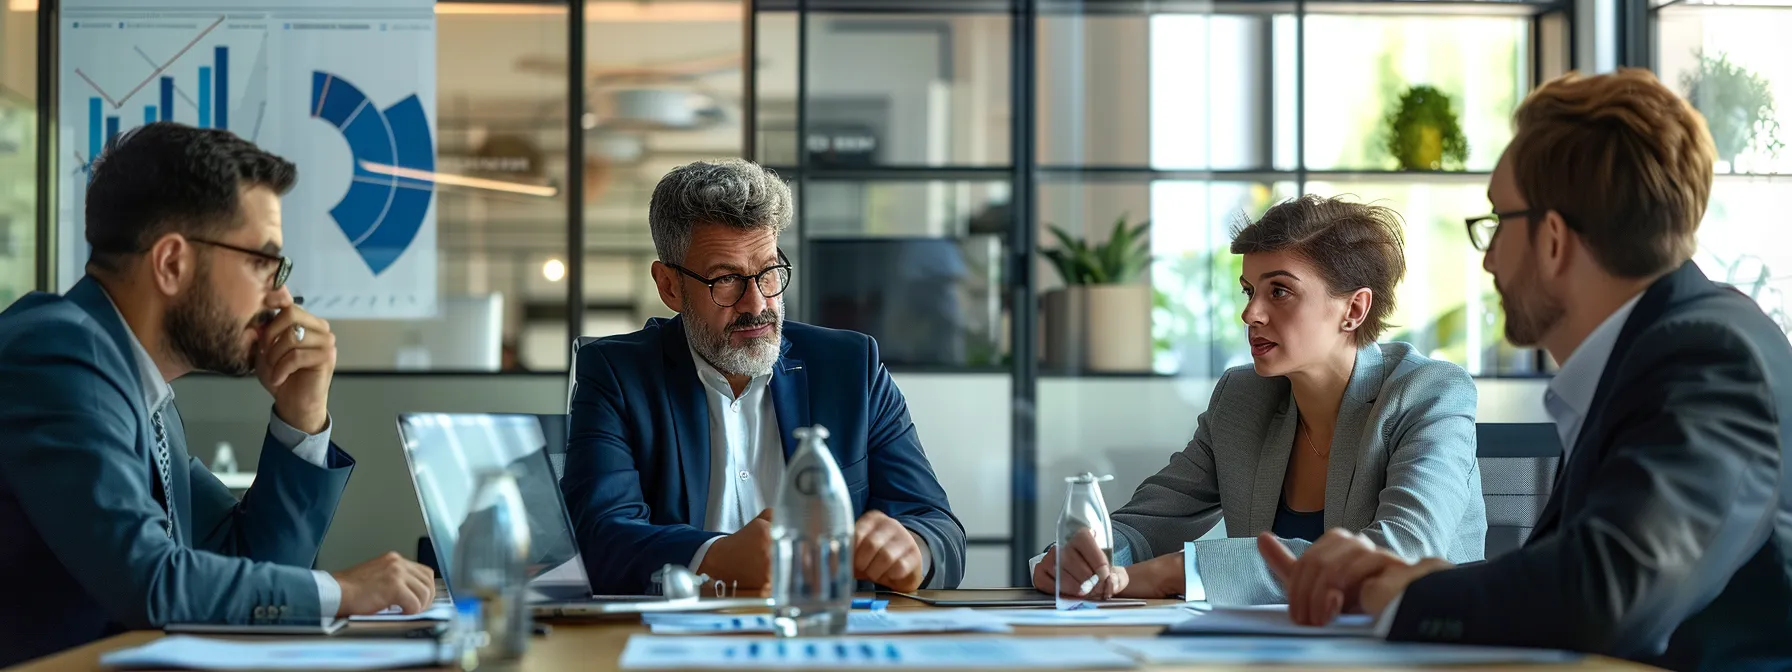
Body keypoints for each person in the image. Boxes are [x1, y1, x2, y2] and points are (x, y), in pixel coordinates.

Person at [1261, 69, 1792, 671]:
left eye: (1498, 223)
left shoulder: (1709, 357)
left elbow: (1606, 593)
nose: (1488, 259)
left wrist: (1410, 593)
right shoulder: (1653, 355)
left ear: (1555, 240)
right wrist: (1417, 580)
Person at [0, 123, 436, 666]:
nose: (280, 295)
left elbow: (248, 560)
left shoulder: (138, 385)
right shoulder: (59, 355)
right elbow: (153, 582)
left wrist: (301, 415)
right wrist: (344, 593)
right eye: (261, 263)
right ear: (172, 263)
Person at [1033, 195, 1485, 605]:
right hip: (1272, 650)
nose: (1250, 313)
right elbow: (1154, 517)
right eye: (1249, 291)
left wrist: (1182, 571)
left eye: (1280, 291)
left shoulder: (1429, 393)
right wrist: (1085, 555)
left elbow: (1400, 553)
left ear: (1354, 309)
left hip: (1413, 653)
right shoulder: (1242, 397)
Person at [561, 159, 966, 595]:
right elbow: (598, 537)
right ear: (670, 286)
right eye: (727, 279)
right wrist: (713, 558)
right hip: (676, 645)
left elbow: (938, 526)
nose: (757, 304)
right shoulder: (617, 374)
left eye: (769, 271)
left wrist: (915, 551)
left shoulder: (852, 368)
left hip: (826, 639)